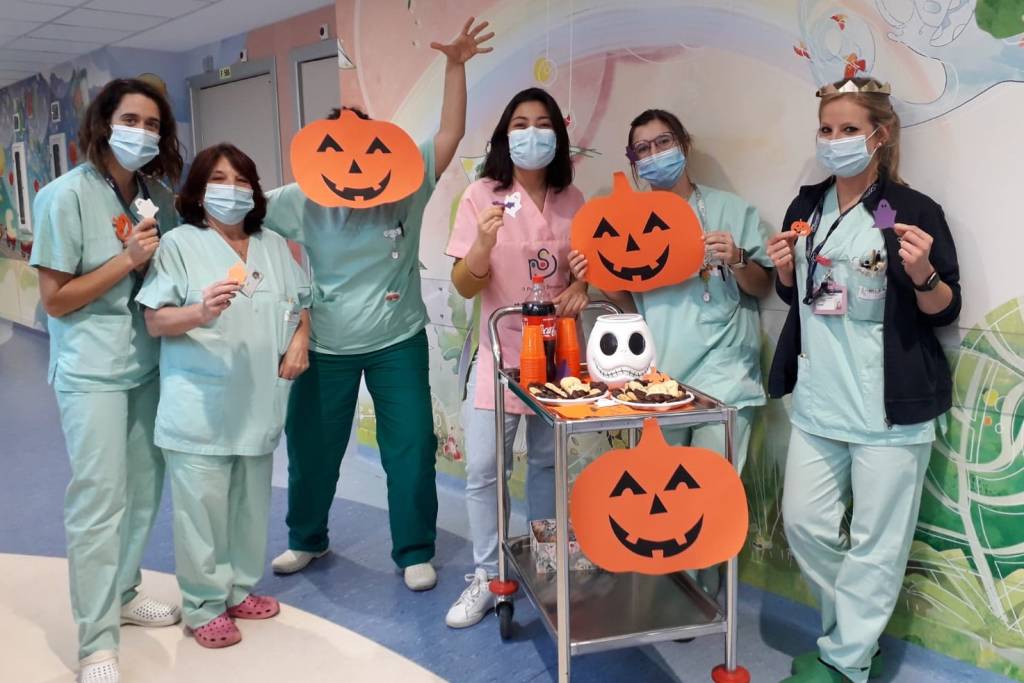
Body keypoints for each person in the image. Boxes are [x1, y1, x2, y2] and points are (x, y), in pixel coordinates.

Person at [265, 17, 494, 592]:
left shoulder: (407, 183)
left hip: (397, 340)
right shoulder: (300, 200)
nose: (355, 164)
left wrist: (456, 64)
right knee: (313, 448)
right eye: (338, 154)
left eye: (367, 150)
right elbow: (237, 215)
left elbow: (449, 135)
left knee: (412, 447)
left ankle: (414, 548)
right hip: (326, 345)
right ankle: (306, 539)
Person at [765, 77, 961, 683]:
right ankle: (852, 637)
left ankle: (846, 662)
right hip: (820, 400)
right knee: (804, 523)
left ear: (881, 134)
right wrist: (779, 272)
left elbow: (944, 308)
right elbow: (799, 294)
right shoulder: (807, 208)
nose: (835, 140)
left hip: (889, 410)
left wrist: (924, 273)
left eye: (850, 129)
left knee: (878, 543)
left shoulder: (900, 212)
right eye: (827, 129)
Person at [30, 78, 183, 683]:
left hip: (146, 366)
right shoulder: (63, 198)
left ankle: (123, 591)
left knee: (143, 493)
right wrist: (124, 262)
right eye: (131, 119)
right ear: (102, 123)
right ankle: (96, 642)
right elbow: (56, 301)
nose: (142, 133)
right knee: (98, 501)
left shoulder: (156, 197)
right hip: (91, 371)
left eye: (153, 124)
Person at [136, 144, 311, 648]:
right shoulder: (179, 245)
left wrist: (300, 339)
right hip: (200, 406)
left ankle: (237, 590)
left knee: (249, 507)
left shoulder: (273, 244)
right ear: (198, 190)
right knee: (201, 511)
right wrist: (199, 313)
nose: (232, 190)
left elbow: (301, 302)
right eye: (219, 179)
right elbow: (154, 319)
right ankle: (202, 605)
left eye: (242, 181)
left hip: (258, 399)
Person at [444, 87, 588, 628]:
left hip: (558, 359)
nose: (532, 133)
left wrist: (583, 283)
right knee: (485, 469)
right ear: (506, 134)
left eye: (543, 122)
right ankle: (486, 574)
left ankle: (551, 561)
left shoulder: (574, 199)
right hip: (498, 355)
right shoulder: (483, 194)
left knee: (549, 464)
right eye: (521, 123)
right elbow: (463, 284)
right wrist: (481, 245)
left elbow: (585, 268)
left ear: (558, 134)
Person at [570, 109, 773, 471]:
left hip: (724, 376)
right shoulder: (623, 225)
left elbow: (761, 285)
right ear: (633, 161)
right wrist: (599, 279)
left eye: (663, 143)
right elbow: (632, 306)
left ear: (684, 144)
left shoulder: (728, 209)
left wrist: (738, 258)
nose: (654, 154)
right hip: (659, 378)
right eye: (642, 149)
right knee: (663, 488)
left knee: (711, 494)